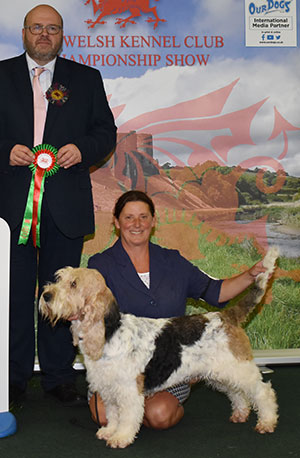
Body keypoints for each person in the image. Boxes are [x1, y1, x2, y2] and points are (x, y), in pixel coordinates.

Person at [0, 4, 117, 406]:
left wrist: (80, 149)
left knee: (64, 297)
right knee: (14, 294)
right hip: (11, 208)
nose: (44, 35)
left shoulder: (86, 79)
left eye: (53, 29)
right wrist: (6, 151)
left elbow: (106, 133)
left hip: (65, 207)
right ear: (24, 32)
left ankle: (58, 376)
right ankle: (12, 377)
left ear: (62, 34)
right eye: (37, 28)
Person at [87, 190, 267, 430]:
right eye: (129, 218)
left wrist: (249, 276)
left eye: (143, 216)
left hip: (171, 363)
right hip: (118, 366)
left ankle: (189, 374)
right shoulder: (100, 265)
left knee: (158, 415)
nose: (137, 224)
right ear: (117, 223)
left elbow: (215, 292)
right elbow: (89, 310)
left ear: (153, 221)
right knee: (105, 416)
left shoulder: (172, 261)